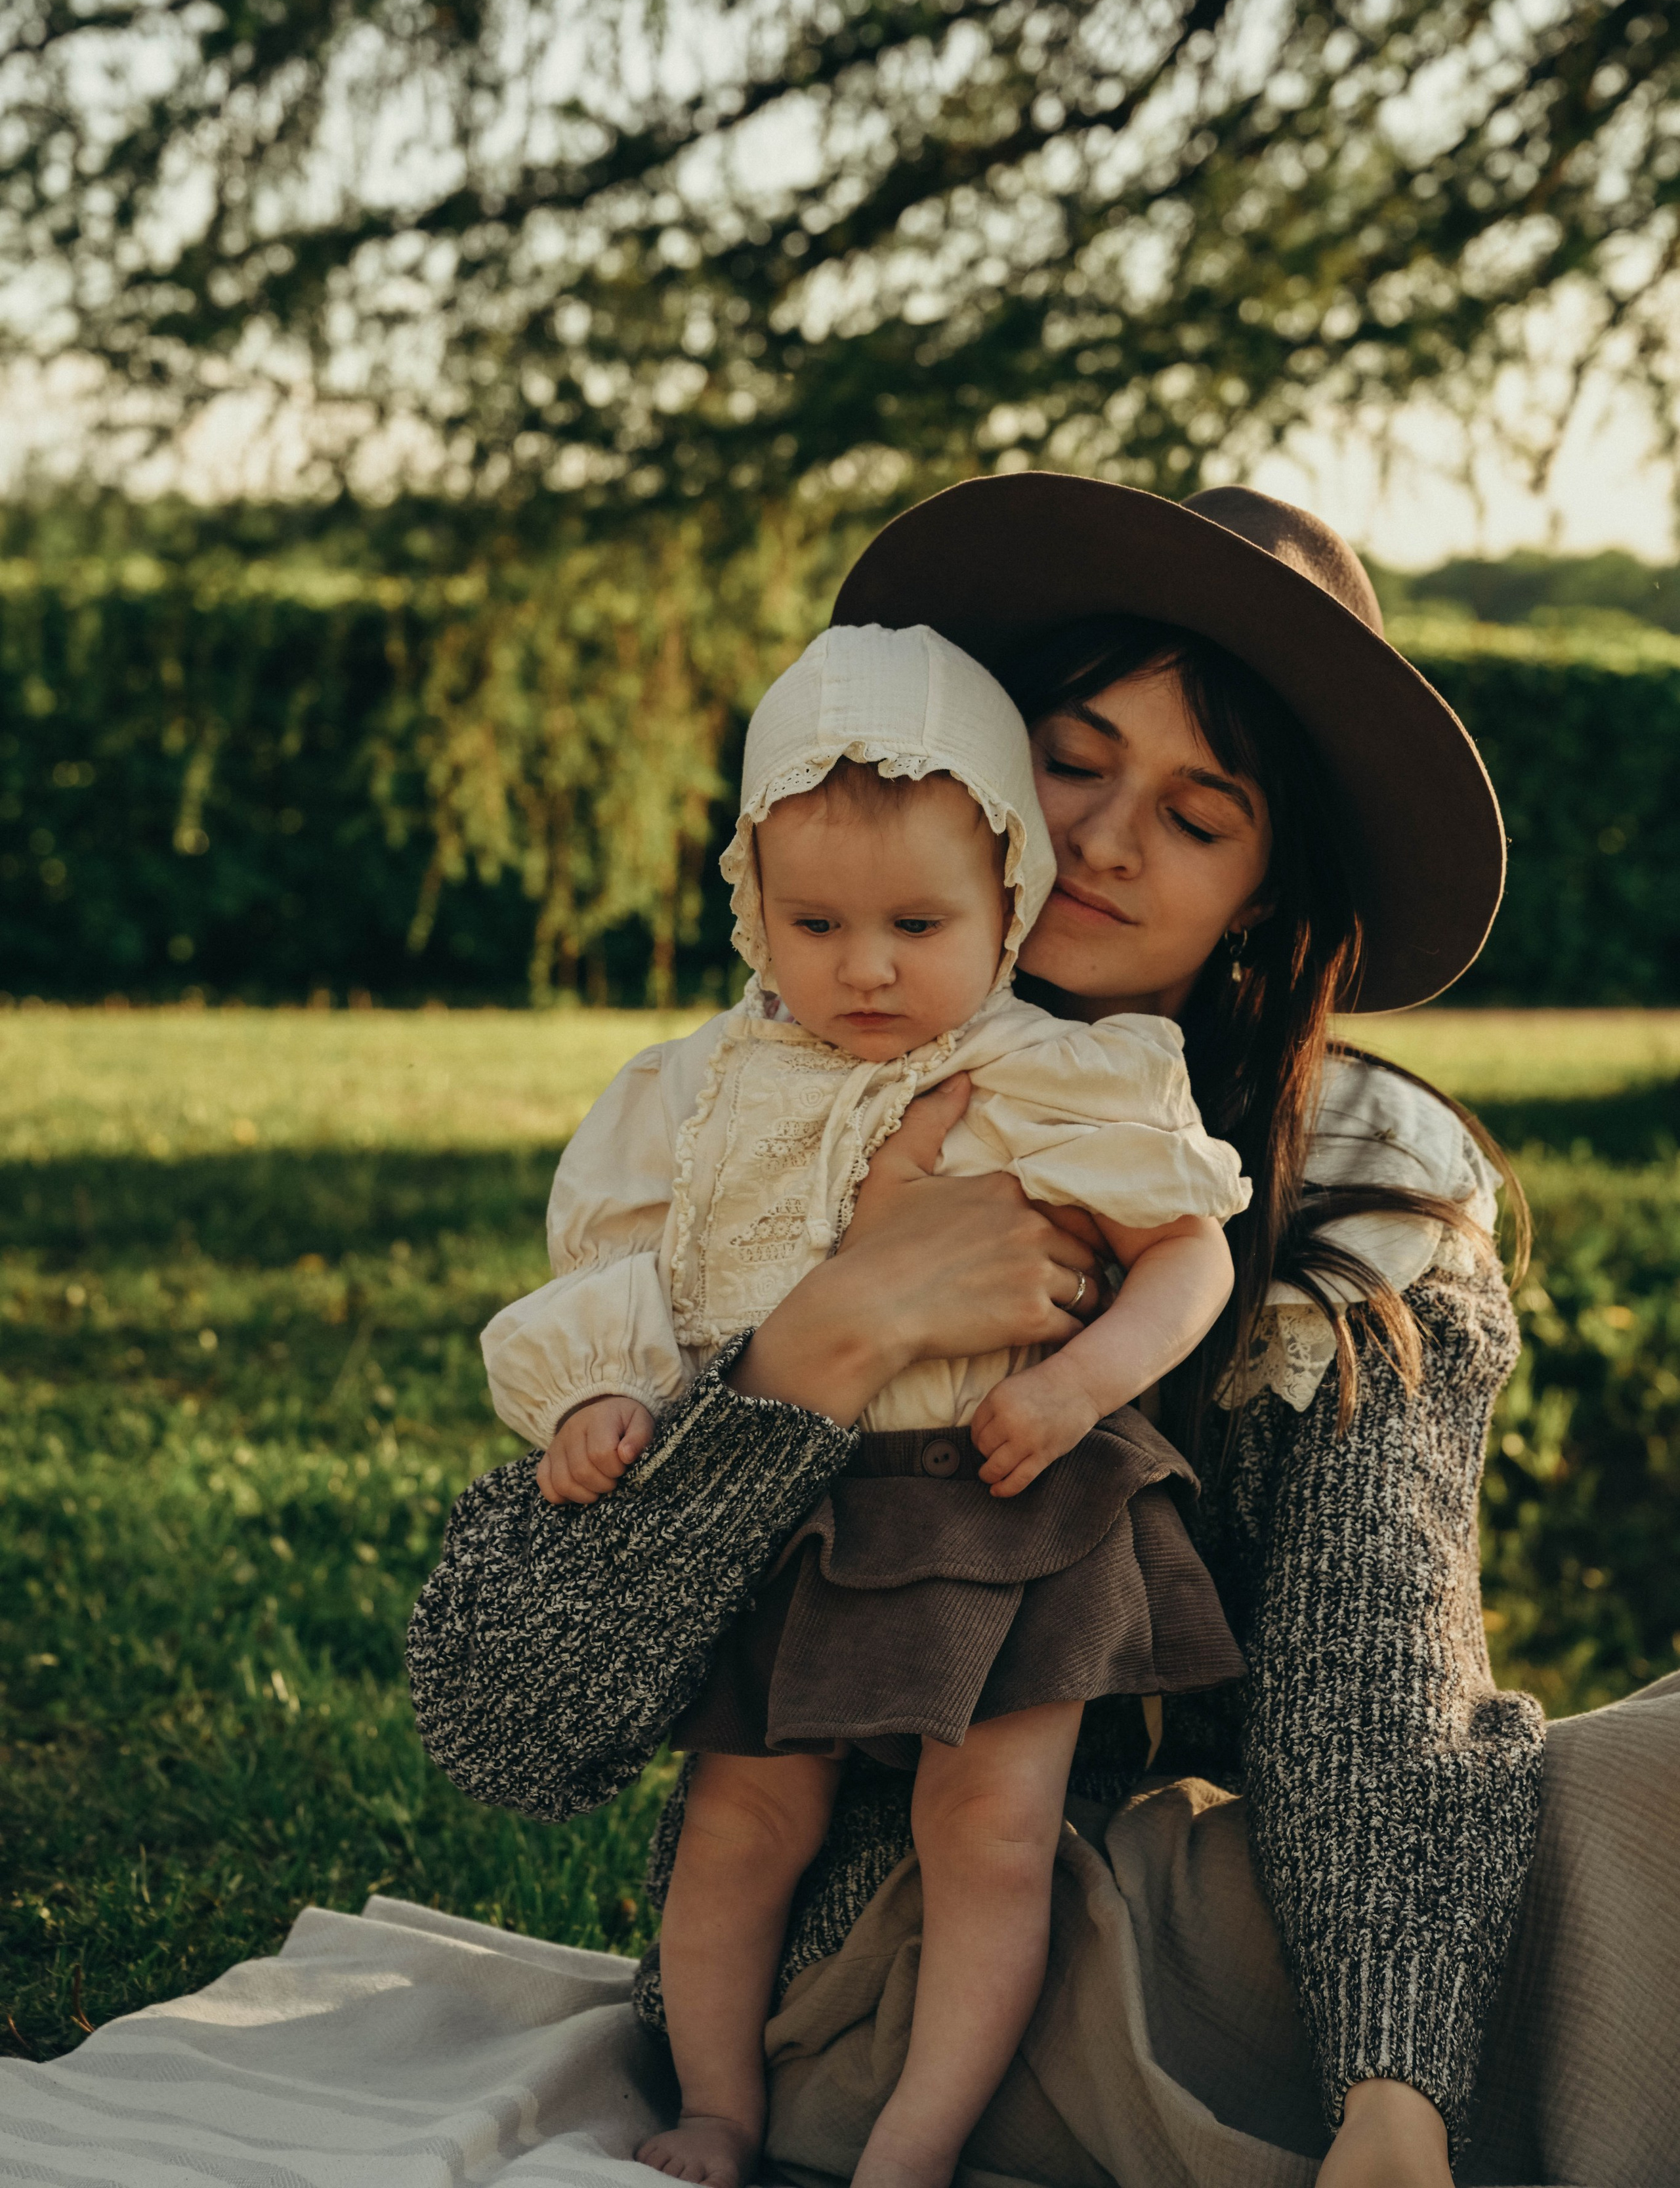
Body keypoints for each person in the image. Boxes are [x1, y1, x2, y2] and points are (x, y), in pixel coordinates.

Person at [410, 476, 1546, 2188]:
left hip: (1257, 1900)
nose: (1101, 840)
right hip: (871, 1942)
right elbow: (505, 1716)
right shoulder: (754, 1114)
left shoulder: (1367, 1184)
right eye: (1075, 760)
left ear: (1262, 885)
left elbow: (1370, 1660)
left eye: (1199, 810)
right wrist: (829, 1338)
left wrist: (1396, 2083)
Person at [480, 621, 1251, 2188]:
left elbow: (1188, 1253)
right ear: (751, 910)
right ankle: (714, 2109)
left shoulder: (1051, 1071)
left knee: (989, 1834)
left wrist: (1085, 1382)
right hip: (784, 1496)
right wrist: (601, 1406)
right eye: (814, 922)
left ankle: (912, 2149)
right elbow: (626, 1283)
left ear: (1004, 901)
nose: (869, 965)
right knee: (737, 1827)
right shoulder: (692, 1095)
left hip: (1001, 1489)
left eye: (917, 921)